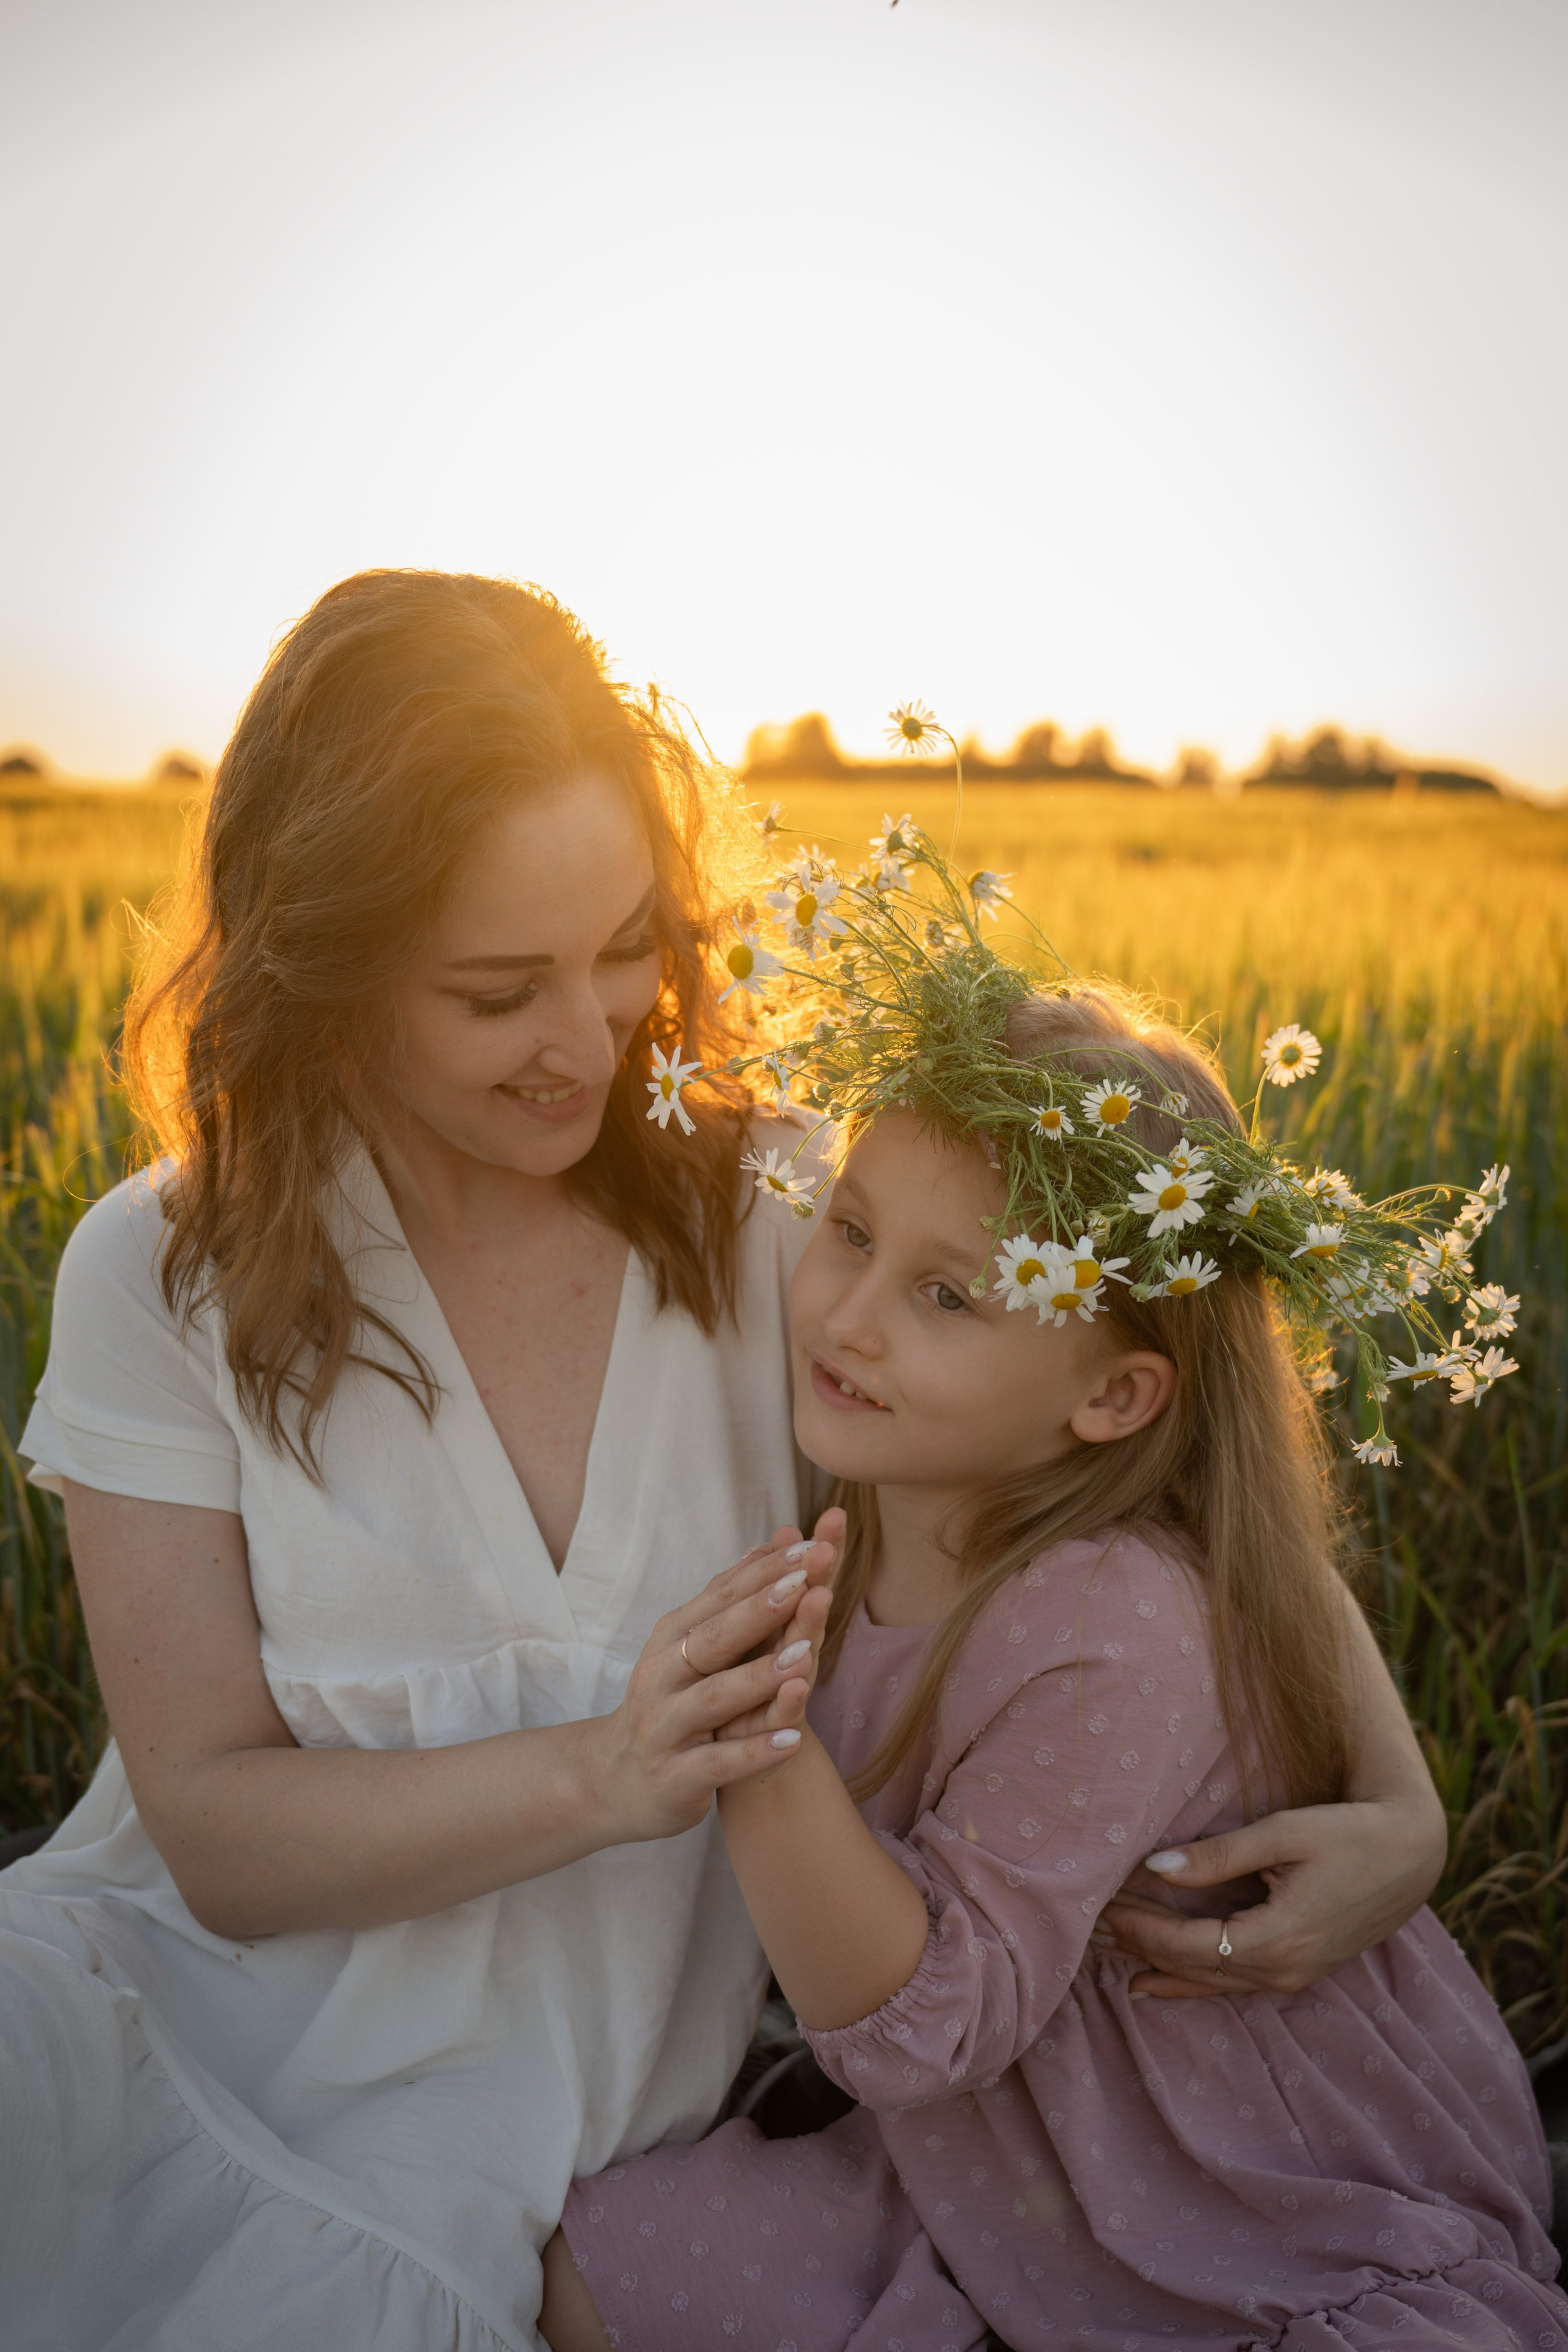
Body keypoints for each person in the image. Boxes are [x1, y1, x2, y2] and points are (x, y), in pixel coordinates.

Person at [1, 573, 1446, 2352]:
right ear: (325, 959)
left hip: (515, 2132)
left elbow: (1160, 1470)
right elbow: (213, 1836)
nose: (592, 1040)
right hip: (148, 2012)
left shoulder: (780, 1215)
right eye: (496, 990)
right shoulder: (161, 1270)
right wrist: (612, 1770)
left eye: (625, 946)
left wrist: (1405, 1812)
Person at [547, 973, 1563, 2350]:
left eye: (950, 1295)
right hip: (988, 2161)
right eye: (847, 1230)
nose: (848, 1316)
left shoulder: (1104, 1616)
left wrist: (752, 1744)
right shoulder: (876, 1461)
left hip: (1235, 2180)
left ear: (1111, 1396)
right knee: (597, 2279)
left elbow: (924, 2033)